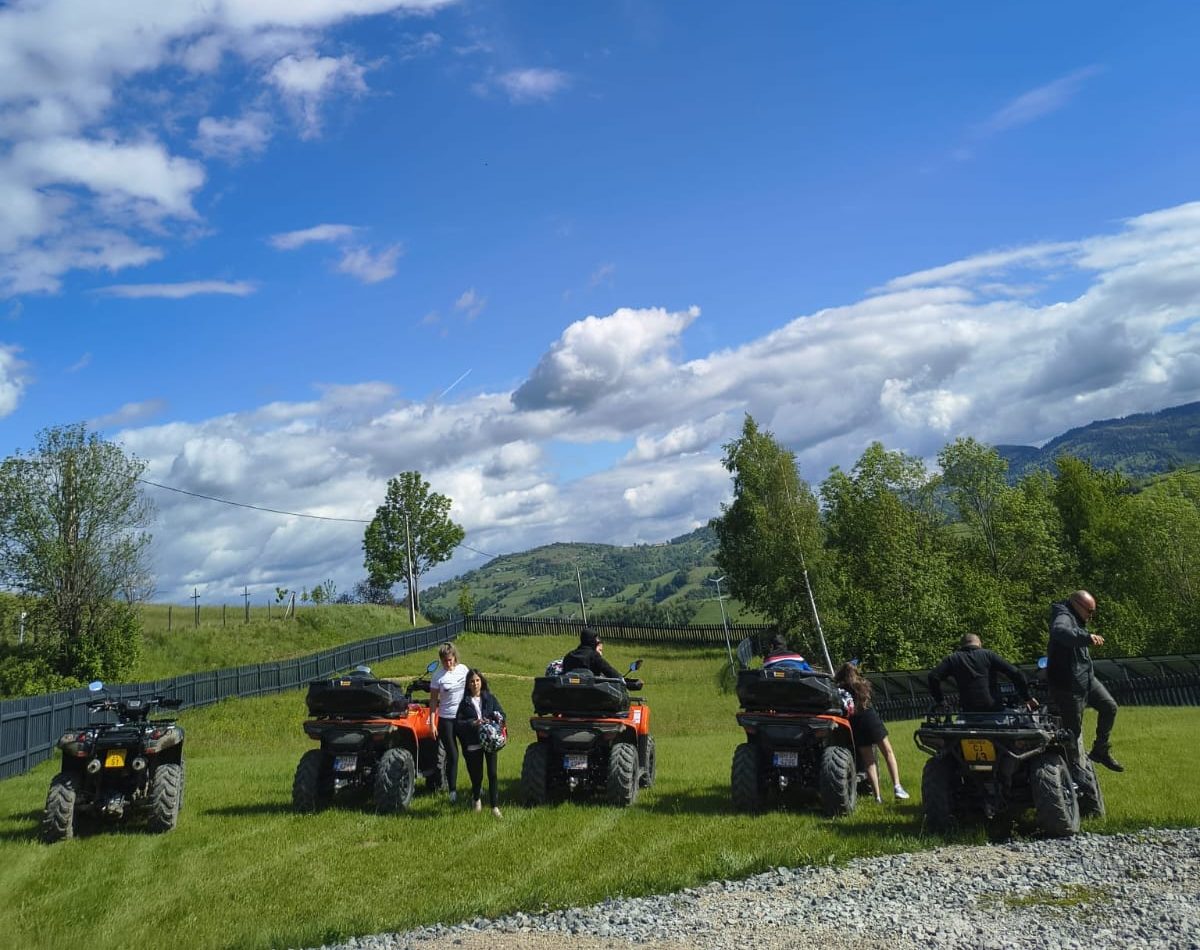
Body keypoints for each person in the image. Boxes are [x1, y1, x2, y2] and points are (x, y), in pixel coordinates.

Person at [1047, 590, 1123, 772]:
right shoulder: (1063, 616)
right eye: (1089, 611)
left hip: (1086, 678)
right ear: (1077, 605)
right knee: (1073, 733)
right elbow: (1059, 631)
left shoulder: (1078, 617)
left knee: (1109, 707)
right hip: (1068, 685)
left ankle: (1100, 750)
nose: (1091, 616)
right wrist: (1086, 637)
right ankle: (1074, 771)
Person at [835, 662, 909, 803]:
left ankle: (877, 797)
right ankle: (897, 786)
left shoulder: (839, 690)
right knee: (888, 752)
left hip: (856, 724)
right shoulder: (863, 685)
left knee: (869, 762)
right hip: (871, 719)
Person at [927, 634, 1037, 713]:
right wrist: (1027, 697)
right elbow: (1016, 673)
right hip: (993, 709)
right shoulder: (988, 655)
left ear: (961, 645)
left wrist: (940, 701)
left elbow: (933, 676)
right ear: (979, 643)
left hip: (968, 711)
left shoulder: (953, 658)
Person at [455, 669, 506, 818]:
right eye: (472, 681)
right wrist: (473, 723)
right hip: (473, 742)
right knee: (477, 776)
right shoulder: (464, 703)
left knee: (493, 774)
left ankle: (494, 807)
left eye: (477, 680)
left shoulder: (490, 698)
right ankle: (476, 798)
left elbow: (502, 715)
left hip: (490, 741)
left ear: (482, 682)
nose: (475, 684)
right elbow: (458, 723)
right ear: (468, 684)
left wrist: (494, 718)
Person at [429, 642, 469, 803]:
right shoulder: (437, 676)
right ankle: (452, 791)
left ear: (455, 658)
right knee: (453, 755)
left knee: (470, 752)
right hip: (446, 720)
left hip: (463, 718)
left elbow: (473, 688)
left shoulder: (463, 670)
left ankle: (476, 785)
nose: (448, 663)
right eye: (445, 661)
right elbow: (433, 701)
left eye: (450, 660)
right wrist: (432, 723)